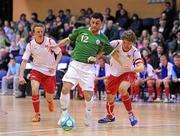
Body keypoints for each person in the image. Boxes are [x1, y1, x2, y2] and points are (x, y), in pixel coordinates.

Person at [49, 13, 116, 126]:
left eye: (97, 23)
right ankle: (64, 114)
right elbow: (68, 40)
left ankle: (88, 114)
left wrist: (96, 57)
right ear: (90, 22)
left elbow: (106, 50)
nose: (94, 25)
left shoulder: (103, 38)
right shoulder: (81, 30)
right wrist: (57, 46)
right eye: (92, 22)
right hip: (75, 64)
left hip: (88, 69)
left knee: (88, 94)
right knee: (65, 88)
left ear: (101, 23)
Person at [98, 30, 144, 126]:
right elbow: (104, 49)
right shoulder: (116, 43)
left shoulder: (135, 51)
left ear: (133, 43)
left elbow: (141, 68)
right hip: (114, 74)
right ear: (122, 40)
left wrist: (132, 69)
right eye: (126, 43)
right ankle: (110, 116)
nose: (127, 45)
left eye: (129, 43)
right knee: (109, 97)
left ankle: (131, 115)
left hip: (128, 73)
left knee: (122, 89)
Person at [19, 23, 62, 122]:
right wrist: (21, 76)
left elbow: (59, 54)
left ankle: (49, 101)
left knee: (50, 97)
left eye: (42, 31)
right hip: (37, 70)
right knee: (34, 89)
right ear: (33, 33)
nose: (40, 33)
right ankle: (37, 114)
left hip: (50, 73)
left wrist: (55, 64)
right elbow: (24, 61)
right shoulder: (30, 45)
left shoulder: (50, 41)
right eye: (38, 32)